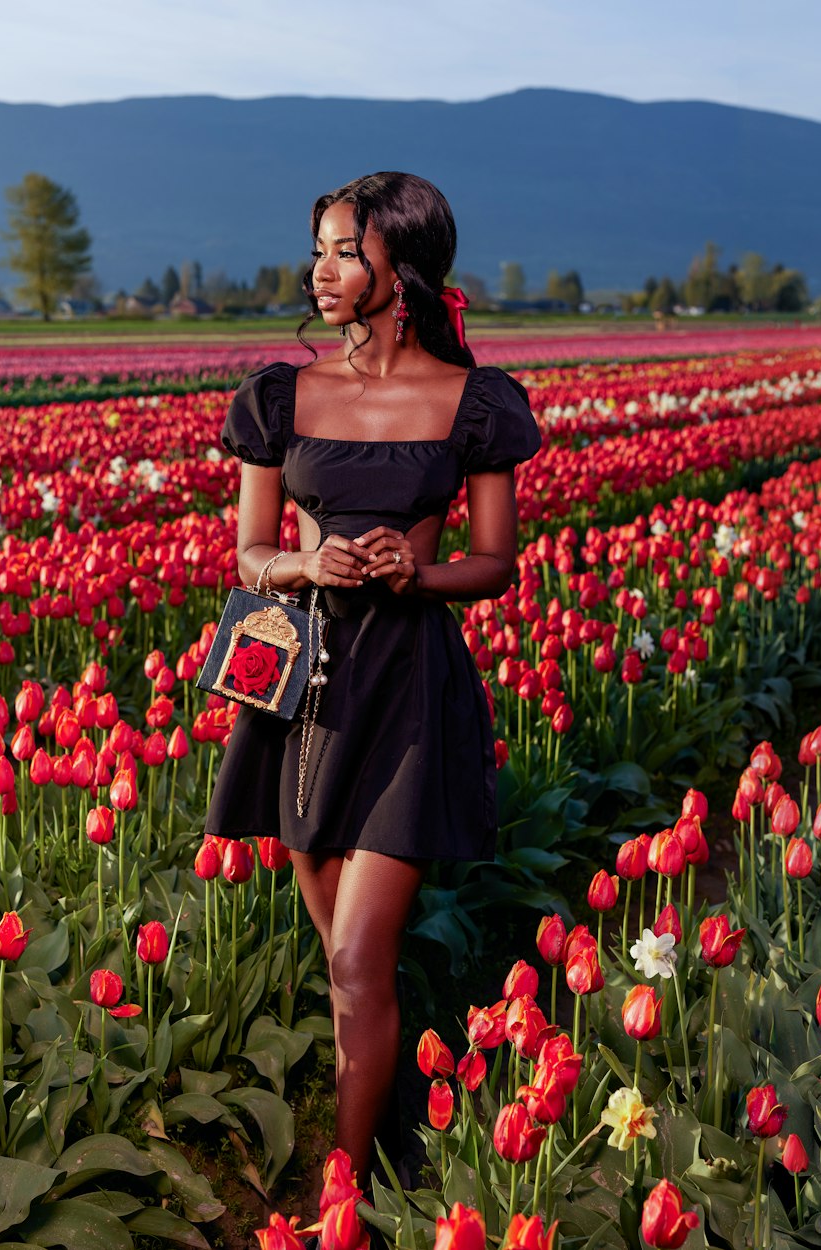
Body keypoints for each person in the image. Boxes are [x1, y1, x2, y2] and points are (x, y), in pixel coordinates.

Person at [205, 171, 541, 1183]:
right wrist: (306, 562)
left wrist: (416, 569)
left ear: (404, 264)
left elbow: (494, 563)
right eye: (320, 247)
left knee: (356, 961)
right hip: (300, 687)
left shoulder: (471, 403)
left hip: (406, 691)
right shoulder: (280, 396)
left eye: (346, 249)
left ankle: (339, 1194)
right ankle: (394, 1131)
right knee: (350, 967)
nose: (322, 269)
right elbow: (249, 553)